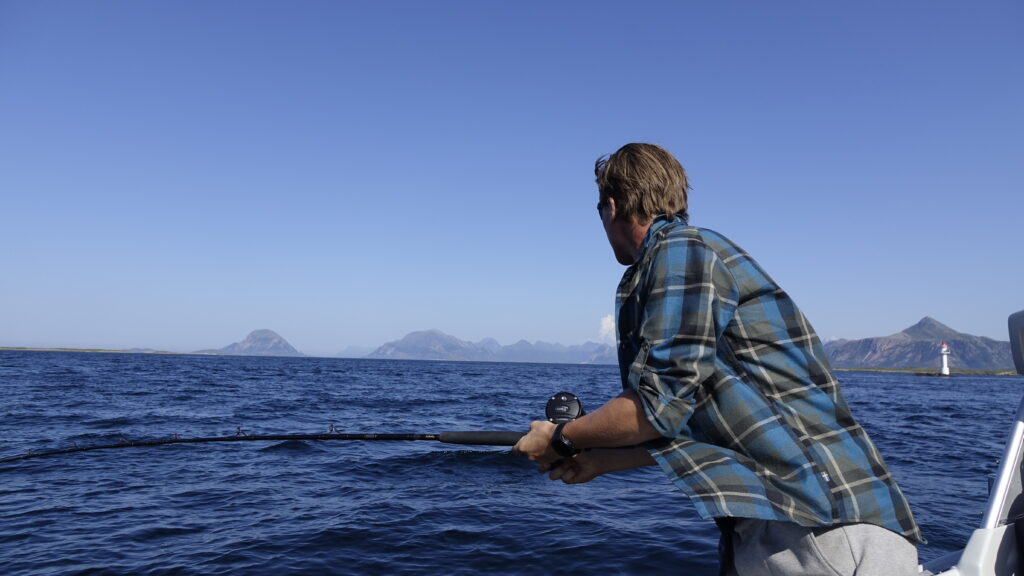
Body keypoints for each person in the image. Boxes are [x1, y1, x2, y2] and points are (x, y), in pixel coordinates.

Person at [512, 143, 922, 575]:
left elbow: (657, 408)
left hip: (818, 526)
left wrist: (561, 436)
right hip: (790, 523)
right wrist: (603, 460)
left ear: (610, 207)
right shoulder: (688, 255)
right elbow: (699, 427)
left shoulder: (680, 253)